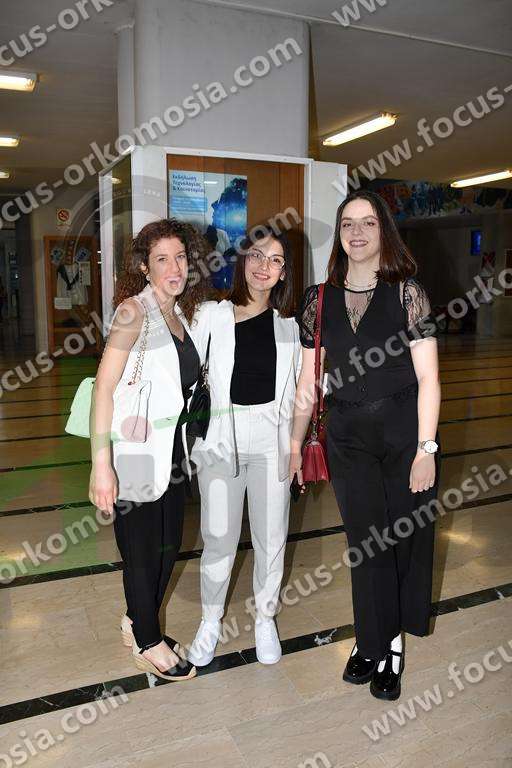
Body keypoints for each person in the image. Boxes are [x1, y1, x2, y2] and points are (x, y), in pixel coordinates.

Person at [292, 190, 440, 701]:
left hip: (403, 437)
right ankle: (372, 639)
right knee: (366, 544)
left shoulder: (407, 293)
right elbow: (308, 382)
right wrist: (295, 443)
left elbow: (430, 378)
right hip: (347, 438)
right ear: (338, 234)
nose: (357, 233)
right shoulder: (319, 299)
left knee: (398, 542)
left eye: (368, 223)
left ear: (384, 232)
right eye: (347, 224)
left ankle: (389, 645)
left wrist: (426, 449)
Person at [89, 218, 215, 682]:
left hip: (173, 451)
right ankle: (147, 641)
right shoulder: (133, 312)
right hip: (137, 452)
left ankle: (135, 619)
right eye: (162, 259)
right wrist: (101, 466)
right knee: (143, 553)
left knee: (168, 547)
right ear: (145, 267)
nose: (174, 267)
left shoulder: (179, 314)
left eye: (180, 257)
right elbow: (103, 389)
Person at [188, 228, 302, 667]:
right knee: (218, 537)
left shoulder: (290, 325)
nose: (263, 266)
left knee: (271, 537)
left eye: (275, 259)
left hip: (273, 439)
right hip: (222, 436)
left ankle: (265, 619)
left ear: (284, 272)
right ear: (242, 261)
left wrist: (296, 444)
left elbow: (305, 390)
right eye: (256, 255)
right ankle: (210, 621)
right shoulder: (211, 315)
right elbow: (179, 363)